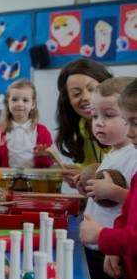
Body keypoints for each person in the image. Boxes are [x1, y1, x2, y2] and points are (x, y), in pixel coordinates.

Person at [78, 77, 137, 279]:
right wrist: (91, 188)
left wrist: (112, 192)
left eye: (109, 115)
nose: (98, 122)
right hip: (103, 245)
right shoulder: (113, 152)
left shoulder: (133, 155)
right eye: (94, 116)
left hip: (114, 247)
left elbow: (132, 205)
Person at [55, 58, 112, 186]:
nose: (86, 97)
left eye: (92, 89)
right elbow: (95, 182)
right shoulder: (81, 127)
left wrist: (86, 174)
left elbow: (124, 175)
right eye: (76, 94)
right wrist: (80, 179)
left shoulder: (126, 125)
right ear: (68, 101)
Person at [0, 79, 53, 168]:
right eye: (14, 99)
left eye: (25, 100)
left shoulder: (42, 131)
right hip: (8, 180)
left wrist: (42, 156)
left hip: (34, 181)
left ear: (33, 104)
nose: (19, 104)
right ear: (7, 103)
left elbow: (48, 164)